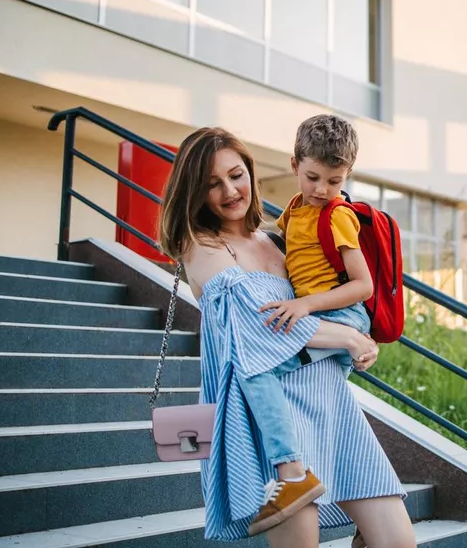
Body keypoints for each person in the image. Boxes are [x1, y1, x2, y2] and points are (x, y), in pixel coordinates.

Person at [157, 126, 415, 548]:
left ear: (252, 173)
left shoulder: (278, 238)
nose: (230, 191)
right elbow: (257, 329)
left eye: (236, 175)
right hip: (272, 421)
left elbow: (326, 298)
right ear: (194, 193)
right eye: (212, 184)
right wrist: (348, 338)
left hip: (332, 407)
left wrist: (355, 339)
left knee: (397, 541)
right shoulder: (201, 246)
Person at [259, 114, 372, 367]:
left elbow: (364, 286)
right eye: (312, 178)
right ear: (294, 165)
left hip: (340, 314)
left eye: (334, 181)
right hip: (313, 312)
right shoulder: (295, 207)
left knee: (270, 364)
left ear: (347, 174)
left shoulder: (338, 216)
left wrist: (305, 304)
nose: (321, 190)